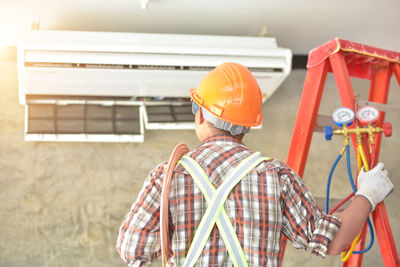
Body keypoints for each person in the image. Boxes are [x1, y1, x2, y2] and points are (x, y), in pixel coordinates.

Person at [116, 62, 394, 267]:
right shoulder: (277, 176)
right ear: (247, 126)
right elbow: (333, 241)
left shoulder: (168, 175)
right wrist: (367, 194)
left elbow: (131, 250)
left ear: (199, 114)